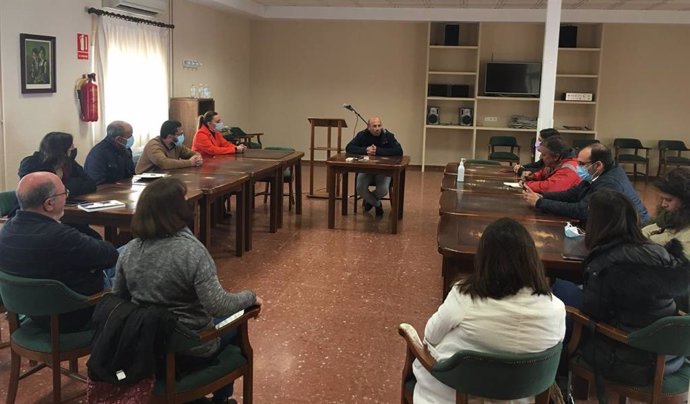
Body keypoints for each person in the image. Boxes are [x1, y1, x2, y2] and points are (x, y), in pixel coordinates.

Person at [114, 177, 262, 404]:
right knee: (237, 320)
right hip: (190, 347)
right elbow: (217, 305)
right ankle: (221, 398)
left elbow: (119, 298)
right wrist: (251, 297)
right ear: (176, 211)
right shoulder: (191, 251)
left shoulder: (129, 250)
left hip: (145, 347)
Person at [412, 218, 565, 404]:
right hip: (520, 397)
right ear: (531, 259)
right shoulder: (555, 309)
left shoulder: (465, 296)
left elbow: (430, 336)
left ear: (484, 259)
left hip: (457, 394)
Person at [575, 190, 688, 387]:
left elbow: (592, 312)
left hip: (625, 358)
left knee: (557, 305)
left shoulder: (606, 264)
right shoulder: (658, 251)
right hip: (669, 357)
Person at [0, 172, 118, 332]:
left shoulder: (6, 231)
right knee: (130, 257)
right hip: (74, 316)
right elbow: (111, 256)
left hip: (33, 312)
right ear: (49, 204)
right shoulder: (60, 237)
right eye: (65, 193)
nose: (67, 197)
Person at [522, 143, 650, 224]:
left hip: (630, 231)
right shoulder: (598, 174)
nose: (578, 167)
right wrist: (543, 196)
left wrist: (540, 203)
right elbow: (572, 194)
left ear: (598, 165)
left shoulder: (610, 183)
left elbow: (582, 210)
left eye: (582, 164)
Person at [345, 116, 403, 217]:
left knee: (383, 190)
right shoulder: (362, 135)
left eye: (379, 126)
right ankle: (377, 203)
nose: (377, 128)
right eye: (374, 126)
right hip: (366, 169)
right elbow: (349, 148)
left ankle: (369, 201)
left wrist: (378, 151)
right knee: (360, 188)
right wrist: (365, 150)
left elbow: (399, 151)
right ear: (368, 127)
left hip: (383, 170)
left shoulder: (387, 135)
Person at [19, 131, 96, 197]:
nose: (73, 148)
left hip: (63, 207)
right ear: (60, 150)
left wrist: (66, 190)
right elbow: (38, 192)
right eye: (70, 147)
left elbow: (91, 184)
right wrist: (66, 188)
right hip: (33, 210)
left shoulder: (68, 162)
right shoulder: (31, 163)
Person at [642, 168, 690, 260]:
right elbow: (651, 228)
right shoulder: (669, 215)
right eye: (662, 199)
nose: (663, 204)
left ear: (685, 202)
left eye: (668, 200)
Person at [135, 120, 203, 174]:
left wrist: (197, 158)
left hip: (164, 177)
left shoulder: (176, 144)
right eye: (179, 134)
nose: (181, 136)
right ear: (169, 136)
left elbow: (193, 153)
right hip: (144, 181)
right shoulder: (153, 145)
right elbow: (164, 163)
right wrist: (190, 162)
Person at [84, 120, 136, 185]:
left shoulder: (126, 150)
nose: (132, 138)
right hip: (105, 193)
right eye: (129, 136)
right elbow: (97, 183)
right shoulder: (98, 153)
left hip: (125, 190)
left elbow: (131, 175)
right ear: (118, 139)